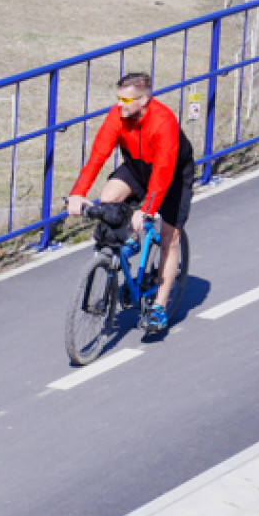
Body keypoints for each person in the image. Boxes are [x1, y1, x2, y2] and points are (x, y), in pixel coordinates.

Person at [66, 71, 195, 332]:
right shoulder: (118, 115)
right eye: (118, 99)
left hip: (172, 174)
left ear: (144, 101)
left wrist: (147, 211)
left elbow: (163, 171)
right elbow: (98, 155)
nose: (119, 106)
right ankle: (125, 245)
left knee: (170, 238)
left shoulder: (163, 121)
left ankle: (159, 306)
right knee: (107, 199)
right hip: (137, 167)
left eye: (126, 101)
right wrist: (78, 193)